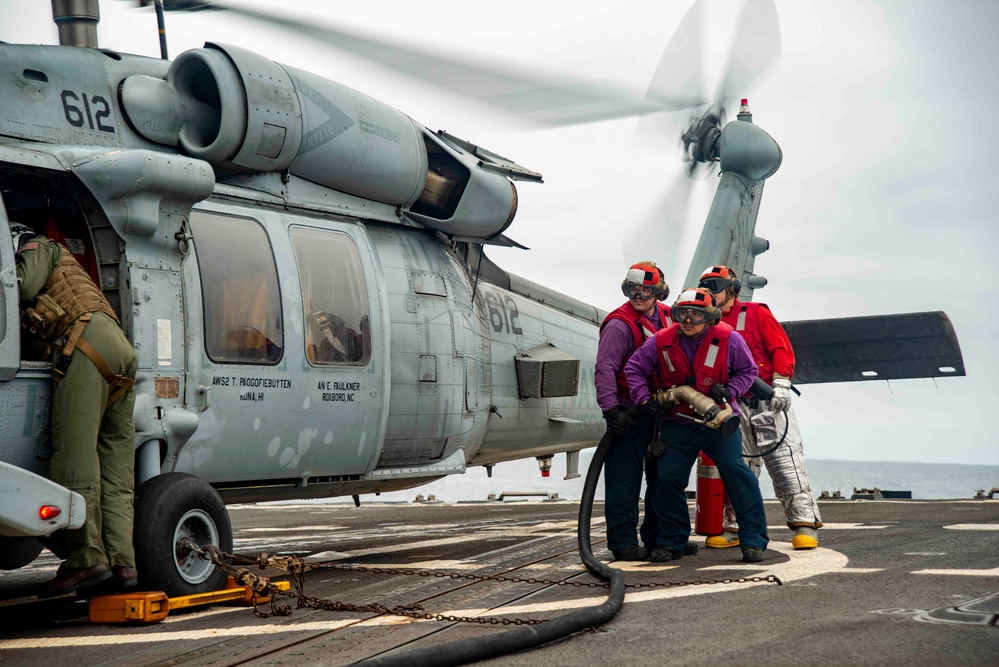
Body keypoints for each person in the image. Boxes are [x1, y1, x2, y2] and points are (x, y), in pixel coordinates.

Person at [12, 225, 140, 596]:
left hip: (83, 348)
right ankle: (123, 564)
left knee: (74, 456)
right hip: (118, 351)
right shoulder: (69, 266)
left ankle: (86, 561)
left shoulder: (38, 246)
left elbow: (19, 286)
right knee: (115, 472)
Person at [624, 287, 769, 563]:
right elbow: (634, 368)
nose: (688, 320)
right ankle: (671, 542)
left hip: (719, 422)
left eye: (696, 314)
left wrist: (730, 390)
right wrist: (644, 400)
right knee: (667, 479)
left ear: (710, 316)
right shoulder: (661, 340)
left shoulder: (728, 338)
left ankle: (753, 541)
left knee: (737, 473)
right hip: (677, 422)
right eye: (683, 313)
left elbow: (748, 371)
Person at [698, 265, 822, 550]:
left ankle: (804, 523)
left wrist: (781, 382)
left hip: (767, 401)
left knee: (785, 461)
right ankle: (733, 526)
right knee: (736, 466)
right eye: (706, 287)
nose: (710, 293)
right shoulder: (705, 324)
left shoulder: (756, 314)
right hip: (732, 404)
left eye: (715, 286)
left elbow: (780, 348)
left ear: (731, 289)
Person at [595, 261, 681, 561]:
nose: (638, 295)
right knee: (624, 479)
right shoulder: (620, 324)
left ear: (658, 292)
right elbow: (605, 368)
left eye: (645, 290)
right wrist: (610, 411)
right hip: (628, 412)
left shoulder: (670, 317)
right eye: (633, 290)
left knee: (664, 477)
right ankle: (623, 542)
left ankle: (661, 538)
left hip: (662, 410)